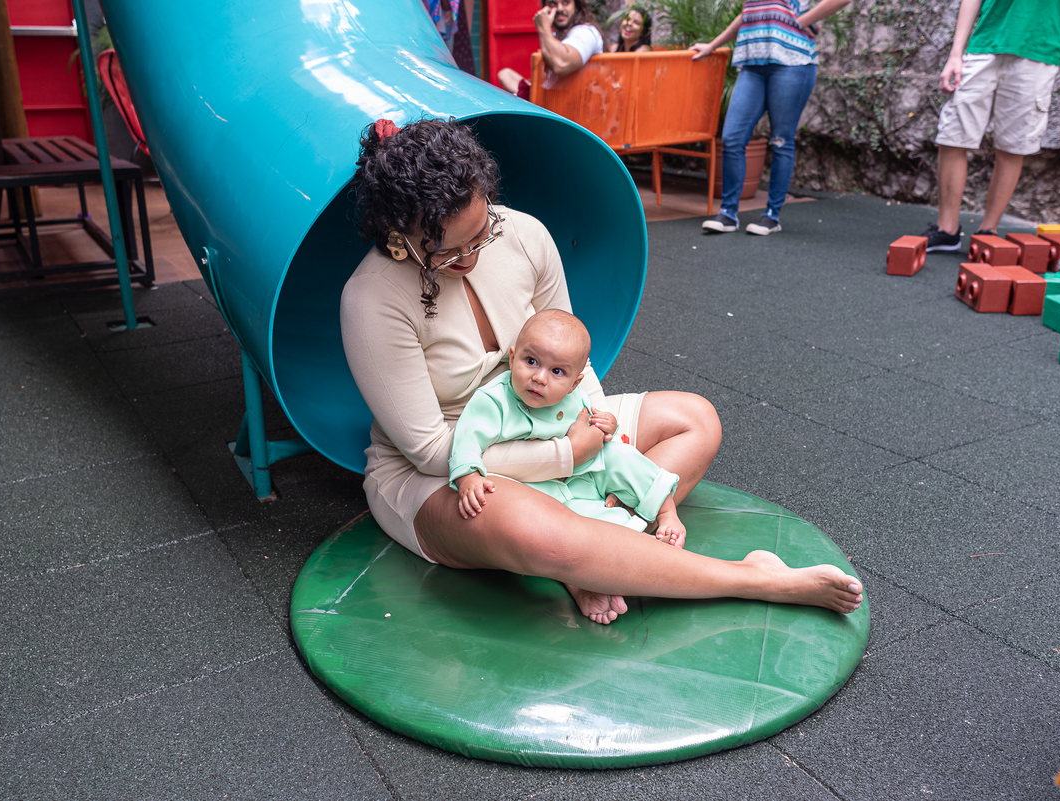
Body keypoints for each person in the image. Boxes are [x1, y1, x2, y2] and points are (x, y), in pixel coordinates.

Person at [341, 117, 864, 625]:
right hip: (449, 469)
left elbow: (573, 360)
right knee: (540, 533)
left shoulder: (522, 234)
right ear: (398, 235)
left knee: (695, 419)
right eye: (446, 252)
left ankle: (588, 557)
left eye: (480, 235)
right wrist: (568, 457)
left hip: (552, 416)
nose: (471, 257)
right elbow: (433, 450)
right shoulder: (372, 298)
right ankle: (754, 578)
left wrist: (592, 426)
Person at [451, 309, 686, 547]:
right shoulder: (493, 400)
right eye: (531, 361)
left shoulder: (574, 397)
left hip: (584, 470)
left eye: (557, 371)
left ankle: (666, 514)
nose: (540, 378)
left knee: (622, 456)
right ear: (512, 359)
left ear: (574, 384)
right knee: (580, 517)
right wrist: (468, 477)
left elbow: (597, 426)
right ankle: (637, 542)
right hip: (538, 484)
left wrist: (609, 424)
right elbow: (466, 439)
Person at [919, 0, 1060, 251]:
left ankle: (988, 231)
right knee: (953, 135)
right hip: (984, 44)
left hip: (1039, 49)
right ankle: (947, 230)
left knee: (1013, 145)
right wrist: (955, 54)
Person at [693, 0, 851, 237]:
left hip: (793, 61)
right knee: (732, 137)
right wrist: (713, 44)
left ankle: (771, 216)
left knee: (780, 139)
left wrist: (800, 21)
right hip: (752, 63)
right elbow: (750, 13)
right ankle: (728, 214)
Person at [497, 0, 604, 99]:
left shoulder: (586, 32)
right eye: (553, 4)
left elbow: (561, 64)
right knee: (505, 74)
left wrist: (543, 27)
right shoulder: (554, 36)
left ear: (576, 6)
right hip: (552, 103)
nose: (560, 9)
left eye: (566, 2)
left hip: (575, 109)